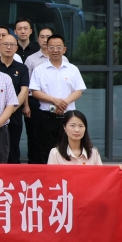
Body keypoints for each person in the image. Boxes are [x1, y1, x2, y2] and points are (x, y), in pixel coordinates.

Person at [30, 34, 86, 163]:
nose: (55, 50)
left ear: (64, 49)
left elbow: (79, 91)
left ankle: (67, 174)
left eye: (59, 47)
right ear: (47, 49)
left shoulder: (73, 69)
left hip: (68, 116)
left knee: (68, 148)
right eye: (52, 47)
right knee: (46, 149)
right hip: (47, 116)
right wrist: (55, 101)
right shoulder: (39, 70)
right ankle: (48, 175)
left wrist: (64, 103)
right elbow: (35, 92)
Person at [0, 34, 30, 164]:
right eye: (5, 44)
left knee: (13, 148)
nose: (8, 47)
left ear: (16, 48)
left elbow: (24, 91)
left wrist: (10, 110)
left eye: (12, 45)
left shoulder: (22, 68)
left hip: (15, 115)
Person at [24, 27, 56, 164]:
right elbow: (26, 85)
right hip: (35, 101)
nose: (45, 40)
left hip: (57, 102)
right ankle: (34, 164)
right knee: (35, 135)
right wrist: (26, 105)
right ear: (37, 39)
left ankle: (54, 162)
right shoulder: (31, 59)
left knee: (54, 134)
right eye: (42, 37)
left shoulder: (64, 59)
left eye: (48, 37)